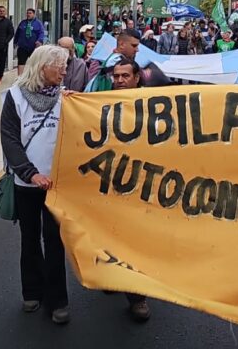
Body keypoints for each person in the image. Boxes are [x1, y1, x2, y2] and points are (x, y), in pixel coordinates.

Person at [0, 45, 71, 325]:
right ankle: (32, 291)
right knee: (29, 239)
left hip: (56, 184)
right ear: (43, 67)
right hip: (26, 183)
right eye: (59, 66)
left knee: (54, 241)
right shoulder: (15, 97)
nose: (64, 71)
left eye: (65, 66)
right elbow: (10, 140)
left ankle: (58, 300)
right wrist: (30, 174)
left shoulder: (65, 97)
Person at [108, 56, 153, 322]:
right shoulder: (101, 103)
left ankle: (138, 297)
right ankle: (111, 276)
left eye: (125, 76)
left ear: (136, 78)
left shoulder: (154, 104)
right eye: (116, 76)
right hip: (110, 186)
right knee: (110, 236)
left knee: (138, 241)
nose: (120, 80)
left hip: (143, 186)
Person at [15, 8, 45, 75]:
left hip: (33, 47)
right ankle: (19, 78)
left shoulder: (38, 23)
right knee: (21, 62)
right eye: (27, 13)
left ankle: (33, 77)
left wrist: (39, 40)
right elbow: (17, 33)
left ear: (34, 14)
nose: (28, 14)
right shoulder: (22, 23)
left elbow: (41, 33)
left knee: (34, 63)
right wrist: (15, 42)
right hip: (23, 46)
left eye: (30, 13)